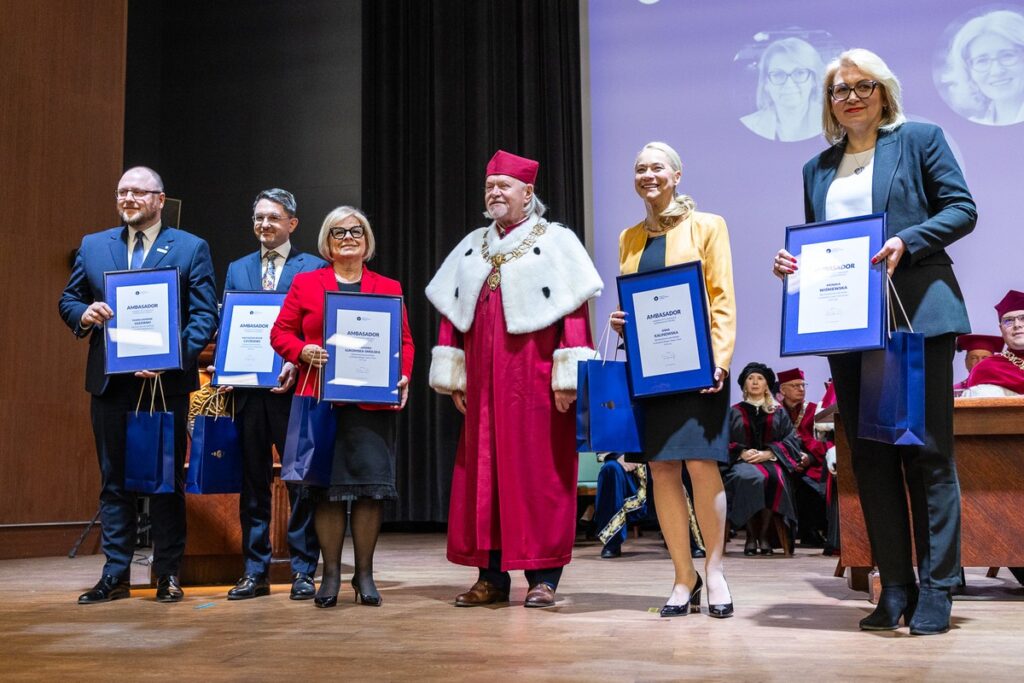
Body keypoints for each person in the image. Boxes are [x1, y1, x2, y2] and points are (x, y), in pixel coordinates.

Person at [773, 49, 976, 635]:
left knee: (927, 452)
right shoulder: (817, 168)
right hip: (851, 327)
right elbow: (823, 242)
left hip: (917, 316)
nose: (852, 97)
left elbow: (962, 209)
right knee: (872, 458)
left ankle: (938, 587)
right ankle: (896, 587)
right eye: (840, 90)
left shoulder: (919, 139)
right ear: (829, 103)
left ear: (884, 91)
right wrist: (795, 265)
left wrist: (908, 241)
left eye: (863, 86)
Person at [426, 150, 601, 608]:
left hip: (536, 383)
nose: (495, 193)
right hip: (483, 386)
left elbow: (574, 313)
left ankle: (544, 576)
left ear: (528, 192)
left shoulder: (557, 241)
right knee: (484, 477)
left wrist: (568, 378)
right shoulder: (472, 245)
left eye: (504, 186)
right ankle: (491, 577)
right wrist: (455, 375)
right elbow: (453, 312)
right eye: (490, 186)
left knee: (539, 475)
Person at [59, 166, 218, 604]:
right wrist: (83, 314)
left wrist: (171, 359)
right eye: (122, 192)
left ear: (160, 200)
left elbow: (204, 315)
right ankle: (115, 574)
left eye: (138, 192)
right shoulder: (94, 245)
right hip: (110, 385)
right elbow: (69, 299)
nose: (128, 199)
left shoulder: (190, 248)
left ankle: (167, 573)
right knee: (113, 482)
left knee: (165, 482)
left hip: (165, 386)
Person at [610, 140, 736, 618]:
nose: (648, 175)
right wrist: (623, 320)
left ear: (676, 175)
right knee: (661, 469)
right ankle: (684, 577)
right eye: (640, 168)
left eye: (657, 167)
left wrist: (720, 359)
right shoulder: (628, 237)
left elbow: (721, 297)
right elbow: (637, 297)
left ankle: (715, 571)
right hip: (650, 370)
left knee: (702, 465)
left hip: (700, 368)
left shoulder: (708, 225)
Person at [270, 206, 414, 609]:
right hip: (321, 401)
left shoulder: (388, 286)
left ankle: (364, 574)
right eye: (339, 232)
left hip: (372, 403)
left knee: (369, 491)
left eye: (356, 232)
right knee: (325, 493)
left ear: (367, 241)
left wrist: (403, 374)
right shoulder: (306, 283)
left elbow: (404, 341)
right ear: (327, 242)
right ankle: (331, 574)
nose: (348, 238)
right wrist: (302, 351)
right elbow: (280, 332)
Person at [214, 189, 325, 601]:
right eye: (259, 217)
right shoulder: (238, 268)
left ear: (292, 223)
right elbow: (229, 324)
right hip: (248, 393)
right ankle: (254, 571)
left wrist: (296, 359)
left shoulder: (313, 267)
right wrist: (226, 367)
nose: (264, 224)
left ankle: (302, 570)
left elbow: (317, 328)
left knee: (300, 482)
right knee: (253, 483)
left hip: (294, 389)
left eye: (273, 218)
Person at [723, 363, 802, 556]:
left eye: (760, 379)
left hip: (771, 461)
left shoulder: (778, 411)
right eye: (750, 379)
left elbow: (791, 440)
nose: (755, 382)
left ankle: (764, 535)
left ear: (767, 385)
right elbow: (723, 440)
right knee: (750, 478)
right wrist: (741, 452)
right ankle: (751, 535)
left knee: (773, 478)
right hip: (742, 462)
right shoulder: (734, 411)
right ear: (744, 385)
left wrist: (769, 453)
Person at [776, 367, 831, 547]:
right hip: (782, 461)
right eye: (795, 386)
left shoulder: (814, 410)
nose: (801, 389)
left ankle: (810, 531)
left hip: (810, 462)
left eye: (802, 385)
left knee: (812, 486)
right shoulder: (775, 411)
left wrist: (809, 458)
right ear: (783, 390)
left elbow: (823, 440)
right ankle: (780, 533)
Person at [941, 10, 1024, 126]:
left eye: (1007, 56)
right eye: (982, 61)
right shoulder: (974, 124)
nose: (996, 71)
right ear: (968, 71)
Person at [740, 37, 825, 142]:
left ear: (814, 81)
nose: (789, 84)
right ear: (766, 84)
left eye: (799, 73)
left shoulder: (837, 123)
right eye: (778, 74)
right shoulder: (747, 126)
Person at [963, 290, 1024, 397]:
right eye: (1008, 321)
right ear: (1001, 329)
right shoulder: (986, 368)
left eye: (1023, 318)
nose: (1017, 325)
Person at [592, 454, 647, 559]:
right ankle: (612, 541)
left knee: (670, 466)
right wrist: (617, 455)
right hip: (621, 458)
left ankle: (677, 538)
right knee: (611, 468)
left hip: (654, 455)